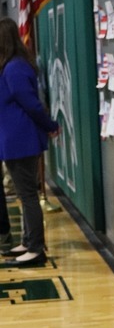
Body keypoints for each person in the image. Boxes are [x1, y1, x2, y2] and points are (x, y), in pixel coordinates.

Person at [0, 17, 60, 267]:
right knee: (24, 195)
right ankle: (28, 241)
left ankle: (35, 249)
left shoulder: (15, 67)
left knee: (28, 195)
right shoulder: (10, 66)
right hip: (14, 138)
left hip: (21, 139)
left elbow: (31, 104)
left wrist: (50, 125)